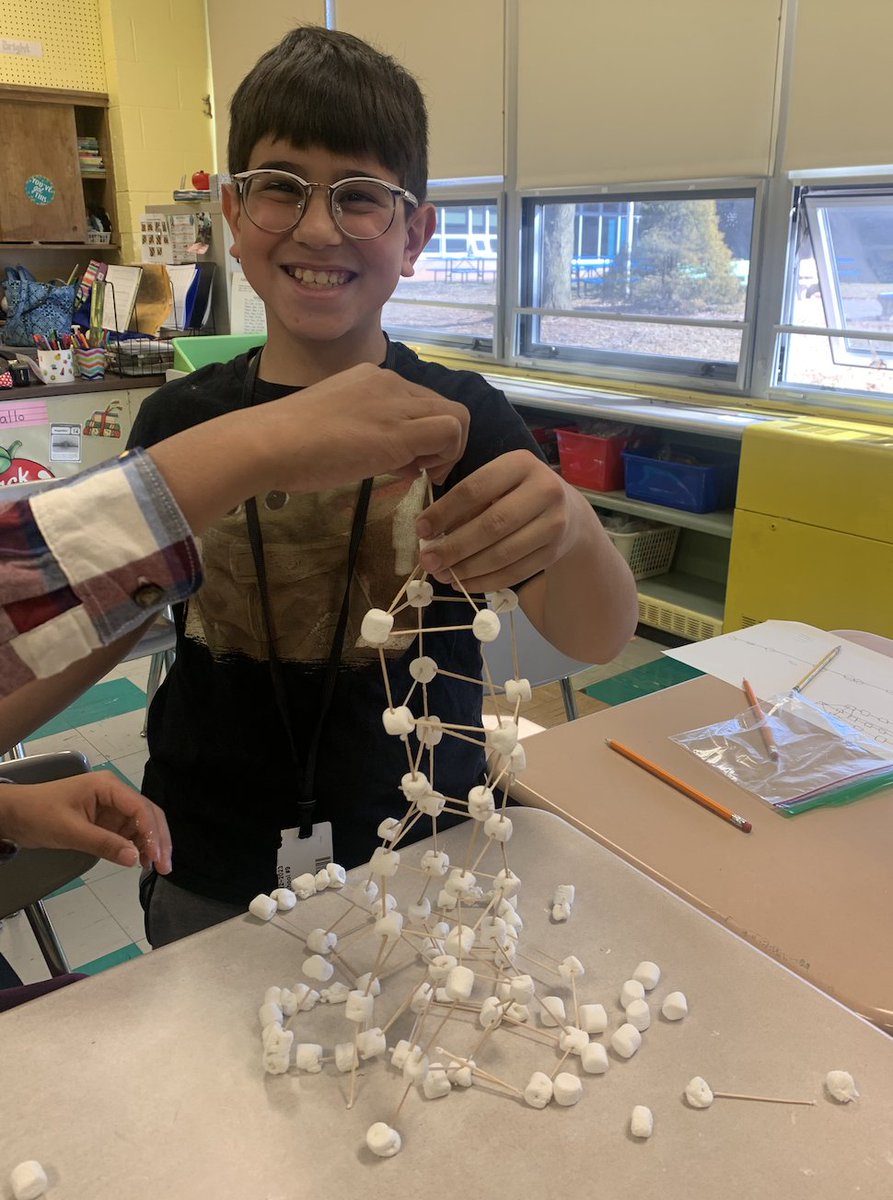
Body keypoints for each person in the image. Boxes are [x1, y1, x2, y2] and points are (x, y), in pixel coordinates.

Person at [126, 25, 638, 947]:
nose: (318, 227)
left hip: (422, 848)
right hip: (207, 857)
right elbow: (83, 621)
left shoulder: (461, 420)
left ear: (415, 235)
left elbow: (596, 635)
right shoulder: (179, 426)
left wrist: (572, 523)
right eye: (280, 186)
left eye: (360, 196)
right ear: (234, 212)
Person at [0, 365, 469, 858]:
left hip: (429, 830)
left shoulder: (455, 409)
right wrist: (260, 443)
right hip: (209, 834)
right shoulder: (179, 413)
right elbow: (71, 613)